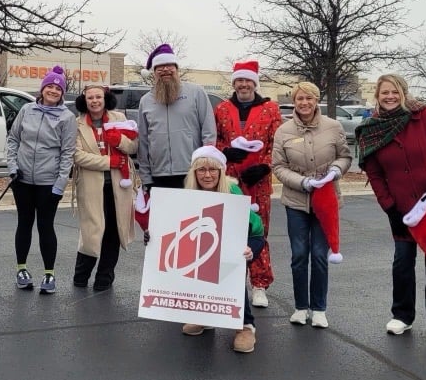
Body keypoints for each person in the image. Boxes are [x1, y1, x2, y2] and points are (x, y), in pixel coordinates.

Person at [356, 73, 426, 345]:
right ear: (377, 96)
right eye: (384, 93)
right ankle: (402, 315)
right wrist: (389, 207)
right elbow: (375, 173)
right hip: (403, 209)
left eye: (394, 92)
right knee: (402, 263)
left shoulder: (425, 116)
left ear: (403, 93)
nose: (390, 97)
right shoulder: (372, 128)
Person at [271, 81, 352, 329]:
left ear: (316, 100)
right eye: (299, 99)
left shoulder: (333, 126)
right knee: (299, 255)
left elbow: (345, 156)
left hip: (326, 201)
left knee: (319, 255)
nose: (304, 103)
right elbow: (278, 167)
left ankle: (318, 308)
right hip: (296, 201)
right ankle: (300, 307)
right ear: (294, 102)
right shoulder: (283, 131)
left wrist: (335, 172)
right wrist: (303, 182)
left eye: (309, 98)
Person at [179, 146, 264, 353]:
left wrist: (250, 249)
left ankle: (245, 326)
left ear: (221, 171)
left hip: (237, 247)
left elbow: (256, 229)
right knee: (197, 274)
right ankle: (204, 316)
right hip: (203, 248)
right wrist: (152, 235)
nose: (207, 175)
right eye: (201, 170)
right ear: (194, 173)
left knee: (231, 273)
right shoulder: (186, 194)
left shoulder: (232, 192)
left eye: (213, 170)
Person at [214, 59, 284, 308]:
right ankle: (231, 282)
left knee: (258, 231)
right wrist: (224, 152)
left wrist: (265, 166)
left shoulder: (271, 109)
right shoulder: (222, 109)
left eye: (247, 81)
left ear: (254, 83)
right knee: (228, 229)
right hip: (229, 179)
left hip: (259, 181)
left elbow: (278, 142)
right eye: (239, 81)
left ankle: (259, 284)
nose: (243, 85)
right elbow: (215, 139)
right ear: (234, 83)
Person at [6, 65, 77, 294]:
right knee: (24, 223)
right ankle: (22, 269)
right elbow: (13, 140)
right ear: (43, 88)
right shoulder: (27, 110)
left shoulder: (67, 118)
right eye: (50, 86)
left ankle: (49, 274)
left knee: (46, 227)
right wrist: (13, 167)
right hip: (23, 179)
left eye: (58, 88)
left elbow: (68, 153)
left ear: (62, 93)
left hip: (49, 184)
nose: (54, 90)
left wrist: (61, 183)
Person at [72, 84, 137, 290]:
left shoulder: (119, 118)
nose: (94, 101)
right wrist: (108, 162)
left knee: (113, 232)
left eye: (98, 97)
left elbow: (134, 146)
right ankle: (81, 276)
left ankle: (105, 277)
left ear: (105, 98)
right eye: (90, 97)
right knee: (91, 231)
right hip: (91, 185)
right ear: (85, 100)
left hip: (119, 185)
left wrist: (119, 141)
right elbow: (77, 155)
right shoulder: (77, 124)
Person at [136, 43, 216, 191]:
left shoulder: (196, 93)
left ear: (177, 69)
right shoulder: (146, 101)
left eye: (170, 65)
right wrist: (145, 177)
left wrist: (206, 168)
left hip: (192, 172)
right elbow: (143, 141)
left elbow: (209, 131)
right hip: (159, 175)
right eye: (160, 67)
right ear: (154, 72)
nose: (165, 69)